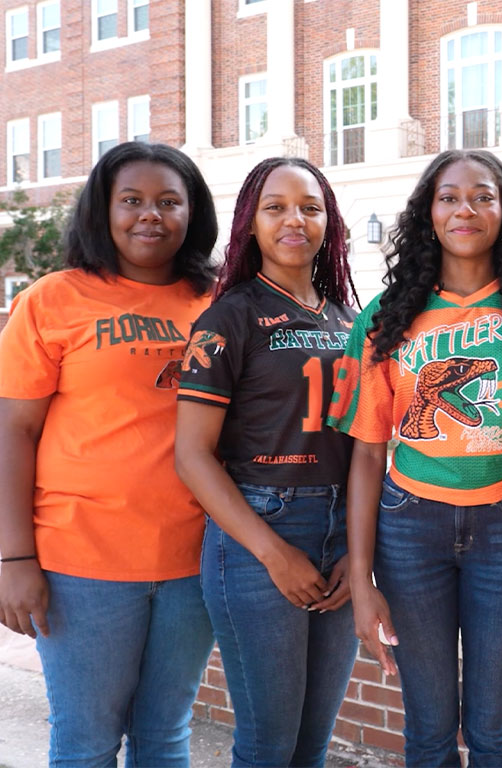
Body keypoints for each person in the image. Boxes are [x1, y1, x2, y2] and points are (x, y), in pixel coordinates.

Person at [327, 148, 502, 767]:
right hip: (409, 529)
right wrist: (364, 582)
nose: (465, 209)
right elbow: (367, 456)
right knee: (426, 734)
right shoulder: (386, 318)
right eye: (448, 197)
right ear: (428, 214)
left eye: (482, 195)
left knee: (494, 734)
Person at [0, 141, 218, 766]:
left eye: (168, 202)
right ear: (104, 209)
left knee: (166, 733)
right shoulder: (53, 299)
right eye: (132, 201)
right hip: (80, 563)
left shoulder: (217, 302)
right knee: (87, 740)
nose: (150, 215)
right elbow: (14, 432)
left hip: (193, 559)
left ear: (190, 213)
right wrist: (15, 556)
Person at [174, 157, 361, 768]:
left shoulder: (344, 314)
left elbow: (365, 444)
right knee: (267, 743)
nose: (294, 220)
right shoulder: (230, 315)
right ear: (249, 224)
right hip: (261, 529)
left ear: (328, 221)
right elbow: (192, 455)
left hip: (340, 532)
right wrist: (273, 553)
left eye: (310, 207)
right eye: (275, 207)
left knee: (311, 745)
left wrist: (358, 553)